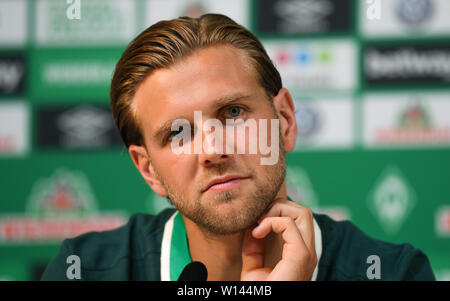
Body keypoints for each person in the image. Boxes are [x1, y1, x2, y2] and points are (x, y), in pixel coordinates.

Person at [41, 14, 435, 281]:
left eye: (232, 112)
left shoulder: (391, 272)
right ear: (148, 170)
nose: (213, 150)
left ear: (284, 121)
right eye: (177, 134)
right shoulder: (83, 270)